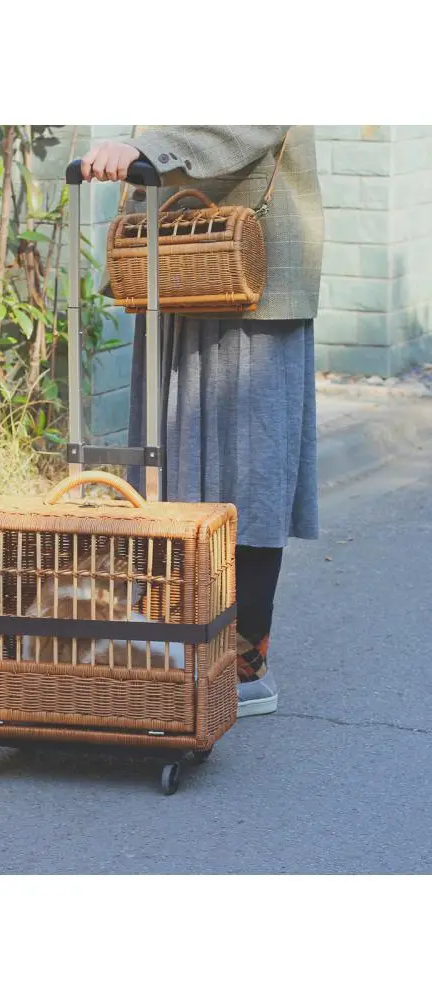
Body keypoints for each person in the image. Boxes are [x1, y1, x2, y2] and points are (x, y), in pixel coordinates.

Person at [81, 126, 324, 717]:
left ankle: (244, 662)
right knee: (164, 468)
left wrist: (148, 148)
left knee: (254, 472)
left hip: (253, 276)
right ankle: (172, 648)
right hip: (177, 263)